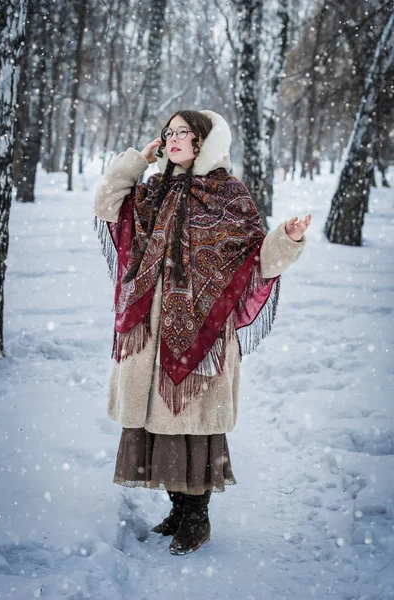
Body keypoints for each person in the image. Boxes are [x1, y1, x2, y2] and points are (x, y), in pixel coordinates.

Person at [93, 109, 311, 556]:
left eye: (183, 133)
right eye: (168, 132)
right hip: (152, 328)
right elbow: (107, 206)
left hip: (203, 331)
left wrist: (286, 238)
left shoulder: (228, 195)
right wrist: (138, 161)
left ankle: (197, 518)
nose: (173, 139)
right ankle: (177, 509)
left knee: (194, 427)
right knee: (159, 422)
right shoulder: (154, 190)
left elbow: (255, 262)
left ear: (204, 142)